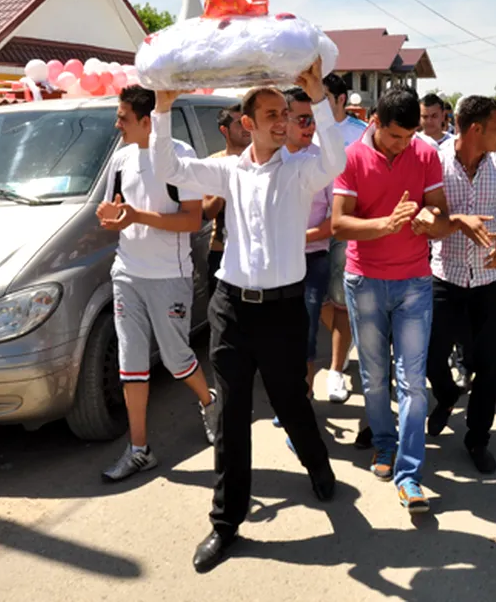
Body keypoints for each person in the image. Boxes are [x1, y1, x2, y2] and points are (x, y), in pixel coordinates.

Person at [150, 60, 342, 573]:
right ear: (247, 123)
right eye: (272, 115)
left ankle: (318, 467)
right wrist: (163, 110)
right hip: (232, 309)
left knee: (291, 402)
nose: (283, 122)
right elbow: (170, 169)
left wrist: (317, 97)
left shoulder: (301, 169)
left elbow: (336, 158)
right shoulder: (228, 170)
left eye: (286, 114)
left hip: (283, 311)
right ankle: (226, 522)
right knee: (231, 415)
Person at [332, 86, 486, 514]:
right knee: (374, 376)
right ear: (375, 123)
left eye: (410, 135)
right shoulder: (350, 157)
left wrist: (428, 218)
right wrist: (386, 224)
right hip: (364, 280)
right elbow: (339, 224)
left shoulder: (425, 154)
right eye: (396, 136)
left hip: (415, 282)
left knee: (413, 381)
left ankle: (409, 472)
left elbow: (438, 211)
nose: (404, 144)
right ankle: (384, 442)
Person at [96, 86, 220, 482]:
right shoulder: (120, 159)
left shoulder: (180, 156)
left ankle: (209, 401)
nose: (117, 124)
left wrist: (137, 217)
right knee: (130, 362)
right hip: (127, 274)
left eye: (123, 118)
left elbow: (192, 220)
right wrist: (111, 216)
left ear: (147, 121)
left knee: (175, 359)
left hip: (169, 275)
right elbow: (116, 211)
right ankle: (139, 450)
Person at [425, 96, 496, 473]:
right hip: (445, 277)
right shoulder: (435, 162)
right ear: (476, 129)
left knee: (489, 365)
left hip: (490, 281)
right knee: (431, 357)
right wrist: (452, 221)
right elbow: (425, 213)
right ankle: (445, 395)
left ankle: (477, 438)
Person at [283, 86, 333, 405]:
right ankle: (286, 396)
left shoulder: (323, 161)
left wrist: (301, 238)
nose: (310, 126)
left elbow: (336, 218)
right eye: (302, 119)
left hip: (313, 260)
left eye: (312, 119)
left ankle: (302, 396)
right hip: (276, 262)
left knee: (307, 329)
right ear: (283, 119)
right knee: (278, 332)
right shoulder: (269, 159)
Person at [319, 73, 367, 403]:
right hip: (308, 228)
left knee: (340, 299)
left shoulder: (361, 134)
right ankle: (344, 342)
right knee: (317, 299)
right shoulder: (306, 129)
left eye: (322, 96)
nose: (316, 103)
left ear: (340, 99)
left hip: (344, 226)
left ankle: (336, 369)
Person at [202, 104, 249, 297]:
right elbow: (207, 212)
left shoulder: (266, 161)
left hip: (257, 251)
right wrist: (223, 187)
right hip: (222, 250)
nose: (246, 128)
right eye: (239, 123)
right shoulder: (213, 164)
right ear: (224, 130)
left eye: (248, 121)